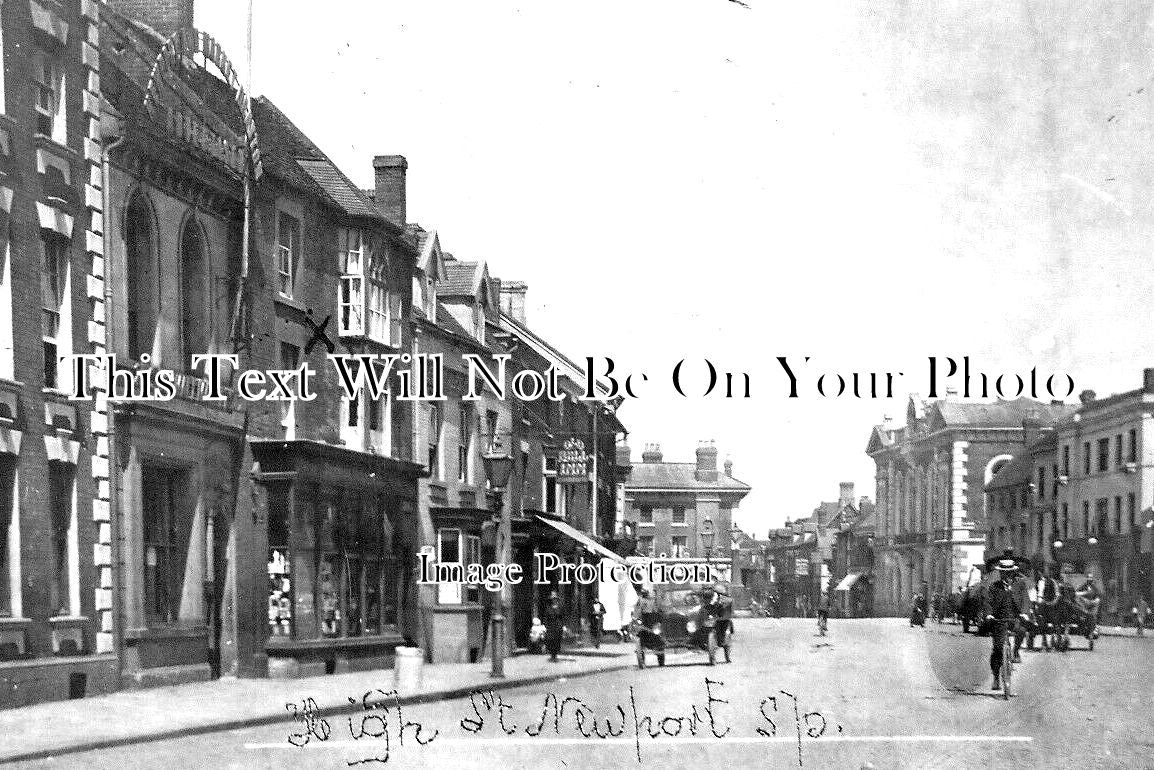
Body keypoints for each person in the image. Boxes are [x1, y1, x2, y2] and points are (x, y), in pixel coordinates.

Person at [981, 558, 1024, 691]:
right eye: (1004, 573)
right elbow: (988, 602)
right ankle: (995, 677)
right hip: (999, 620)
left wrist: (1025, 612)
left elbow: (1026, 600)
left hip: (1014, 619)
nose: (1007, 575)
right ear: (1000, 574)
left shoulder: (1019, 585)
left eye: (1009, 573)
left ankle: (1016, 651)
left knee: (1022, 631)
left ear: (1013, 573)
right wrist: (989, 614)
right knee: (998, 649)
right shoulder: (994, 587)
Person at [544, 591, 563, 662]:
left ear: (557, 599)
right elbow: (545, 617)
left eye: (555, 599)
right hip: (550, 626)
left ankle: (555, 655)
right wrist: (545, 626)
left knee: (557, 640)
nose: (554, 600)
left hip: (558, 626)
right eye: (552, 599)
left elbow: (562, 617)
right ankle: (552, 655)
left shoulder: (560, 607)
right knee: (551, 641)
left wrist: (562, 626)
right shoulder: (548, 608)